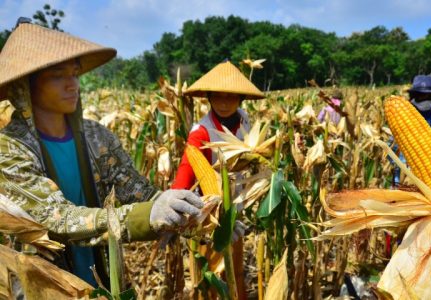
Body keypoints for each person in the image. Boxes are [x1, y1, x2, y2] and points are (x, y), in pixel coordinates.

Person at [0, 19, 204, 287]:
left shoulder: (97, 137)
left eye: (75, 74)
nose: (73, 84)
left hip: (102, 277)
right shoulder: (9, 149)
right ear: (25, 87)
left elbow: (136, 190)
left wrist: (201, 217)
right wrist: (146, 216)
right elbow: (55, 219)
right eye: (58, 76)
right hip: (43, 284)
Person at [172, 60, 264, 300]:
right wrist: (175, 201)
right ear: (209, 97)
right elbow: (187, 167)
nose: (224, 103)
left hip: (234, 209)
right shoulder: (201, 132)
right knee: (209, 274)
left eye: (230, 97)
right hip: (207, 214)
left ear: (241, 100)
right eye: (218, 97)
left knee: (234, 268)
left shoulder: (244, 120)